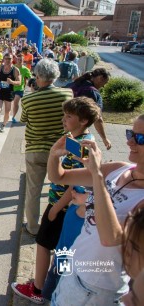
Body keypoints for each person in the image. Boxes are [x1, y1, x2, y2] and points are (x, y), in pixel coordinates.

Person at [11, 96, 100, 305]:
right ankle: (56, 284)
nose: (64, 119)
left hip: (62, 205)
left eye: (69, 116)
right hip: (64, 204)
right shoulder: (76, 138)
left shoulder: (81, 146)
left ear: (84, 121)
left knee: (44, 244)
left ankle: (39, 289)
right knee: (62, 249)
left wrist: (55, 208)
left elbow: (76, 182)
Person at [47, 114, 144, 305]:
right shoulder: (119, 169)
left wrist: (97, 176)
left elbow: (111, 238)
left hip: (98, 287)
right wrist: (54, 155)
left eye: (140, 138)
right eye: (130, 133)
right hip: (74, 269)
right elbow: (59, 177)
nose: (130, 142)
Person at [20, 58, 73, 236]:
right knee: (62, 190)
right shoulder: (67, 94)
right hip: (61, 151)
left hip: (35, 149)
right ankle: (59, 226)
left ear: (37, 76)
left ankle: (33, 227)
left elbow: (23, 120)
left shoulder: (28, 99)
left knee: (33, 191)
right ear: (55, 75)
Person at [40, 185, 91, 302]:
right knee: (49, 295)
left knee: (60, 298)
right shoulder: (73, 207)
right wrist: (56, 256)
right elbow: (64, 236)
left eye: (81, 191)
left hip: (70, 271)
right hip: (57, 263)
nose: (73, 192)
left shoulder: (89, 224)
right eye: (75, 188)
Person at [66, 68, 112, 150]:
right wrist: (104, 138)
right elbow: (98, 118)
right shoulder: (93, 93)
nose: (104, 86)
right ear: (100, 78)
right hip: (77, 132)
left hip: (62, 128)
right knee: (80, 156)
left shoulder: (71, 85)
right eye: (105, 82)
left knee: (61, 155)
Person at [0, 53, 21, 132]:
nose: (7, 60)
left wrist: (12, 82)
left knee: (7, 111)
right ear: (3, 59)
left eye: (9, 59)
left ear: (12, 60)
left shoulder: (15, 70)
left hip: (9, 92)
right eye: (6, 58)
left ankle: (3, 124)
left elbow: (19, 82)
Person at [11, 53, 32, 123]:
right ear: (16, 60)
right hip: (11, 88)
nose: (20, 61)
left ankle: (13, 116)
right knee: (7, 102)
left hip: (20, 88)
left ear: (23, 61)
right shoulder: (13, 67)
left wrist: (31, 82)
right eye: (19, 59)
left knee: (15, 102)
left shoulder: (25, 69)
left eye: (21, 60)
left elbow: (30, 78)